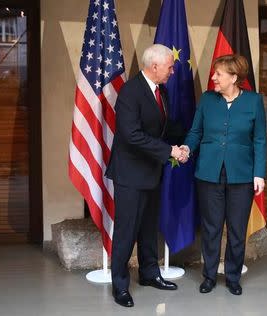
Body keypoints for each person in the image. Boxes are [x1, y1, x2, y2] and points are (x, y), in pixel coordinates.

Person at [105, 44, 187, 307]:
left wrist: (186, 141)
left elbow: (163, 128)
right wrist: (169, 151)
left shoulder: (161, 91)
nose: (173, 70)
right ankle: (120, 285)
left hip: (151, 171)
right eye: (170, 66)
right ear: (154, 67)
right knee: (127, 231)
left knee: (149, 228)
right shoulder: (131, 91)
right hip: (130, 174)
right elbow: (132, 135)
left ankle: (150, 273)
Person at [181, 54, 267, 296]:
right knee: (211, 228)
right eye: (214, 73)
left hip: (242, 176)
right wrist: (187, 147)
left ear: (234, 77)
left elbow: (260, 140)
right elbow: (195, 132)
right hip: (209, 174)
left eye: (219, 74)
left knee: (237, 230)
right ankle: (208, 276)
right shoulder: (208, 100)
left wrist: (259, 173)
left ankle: (232, 277)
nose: (213, 78)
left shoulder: (253, 102)